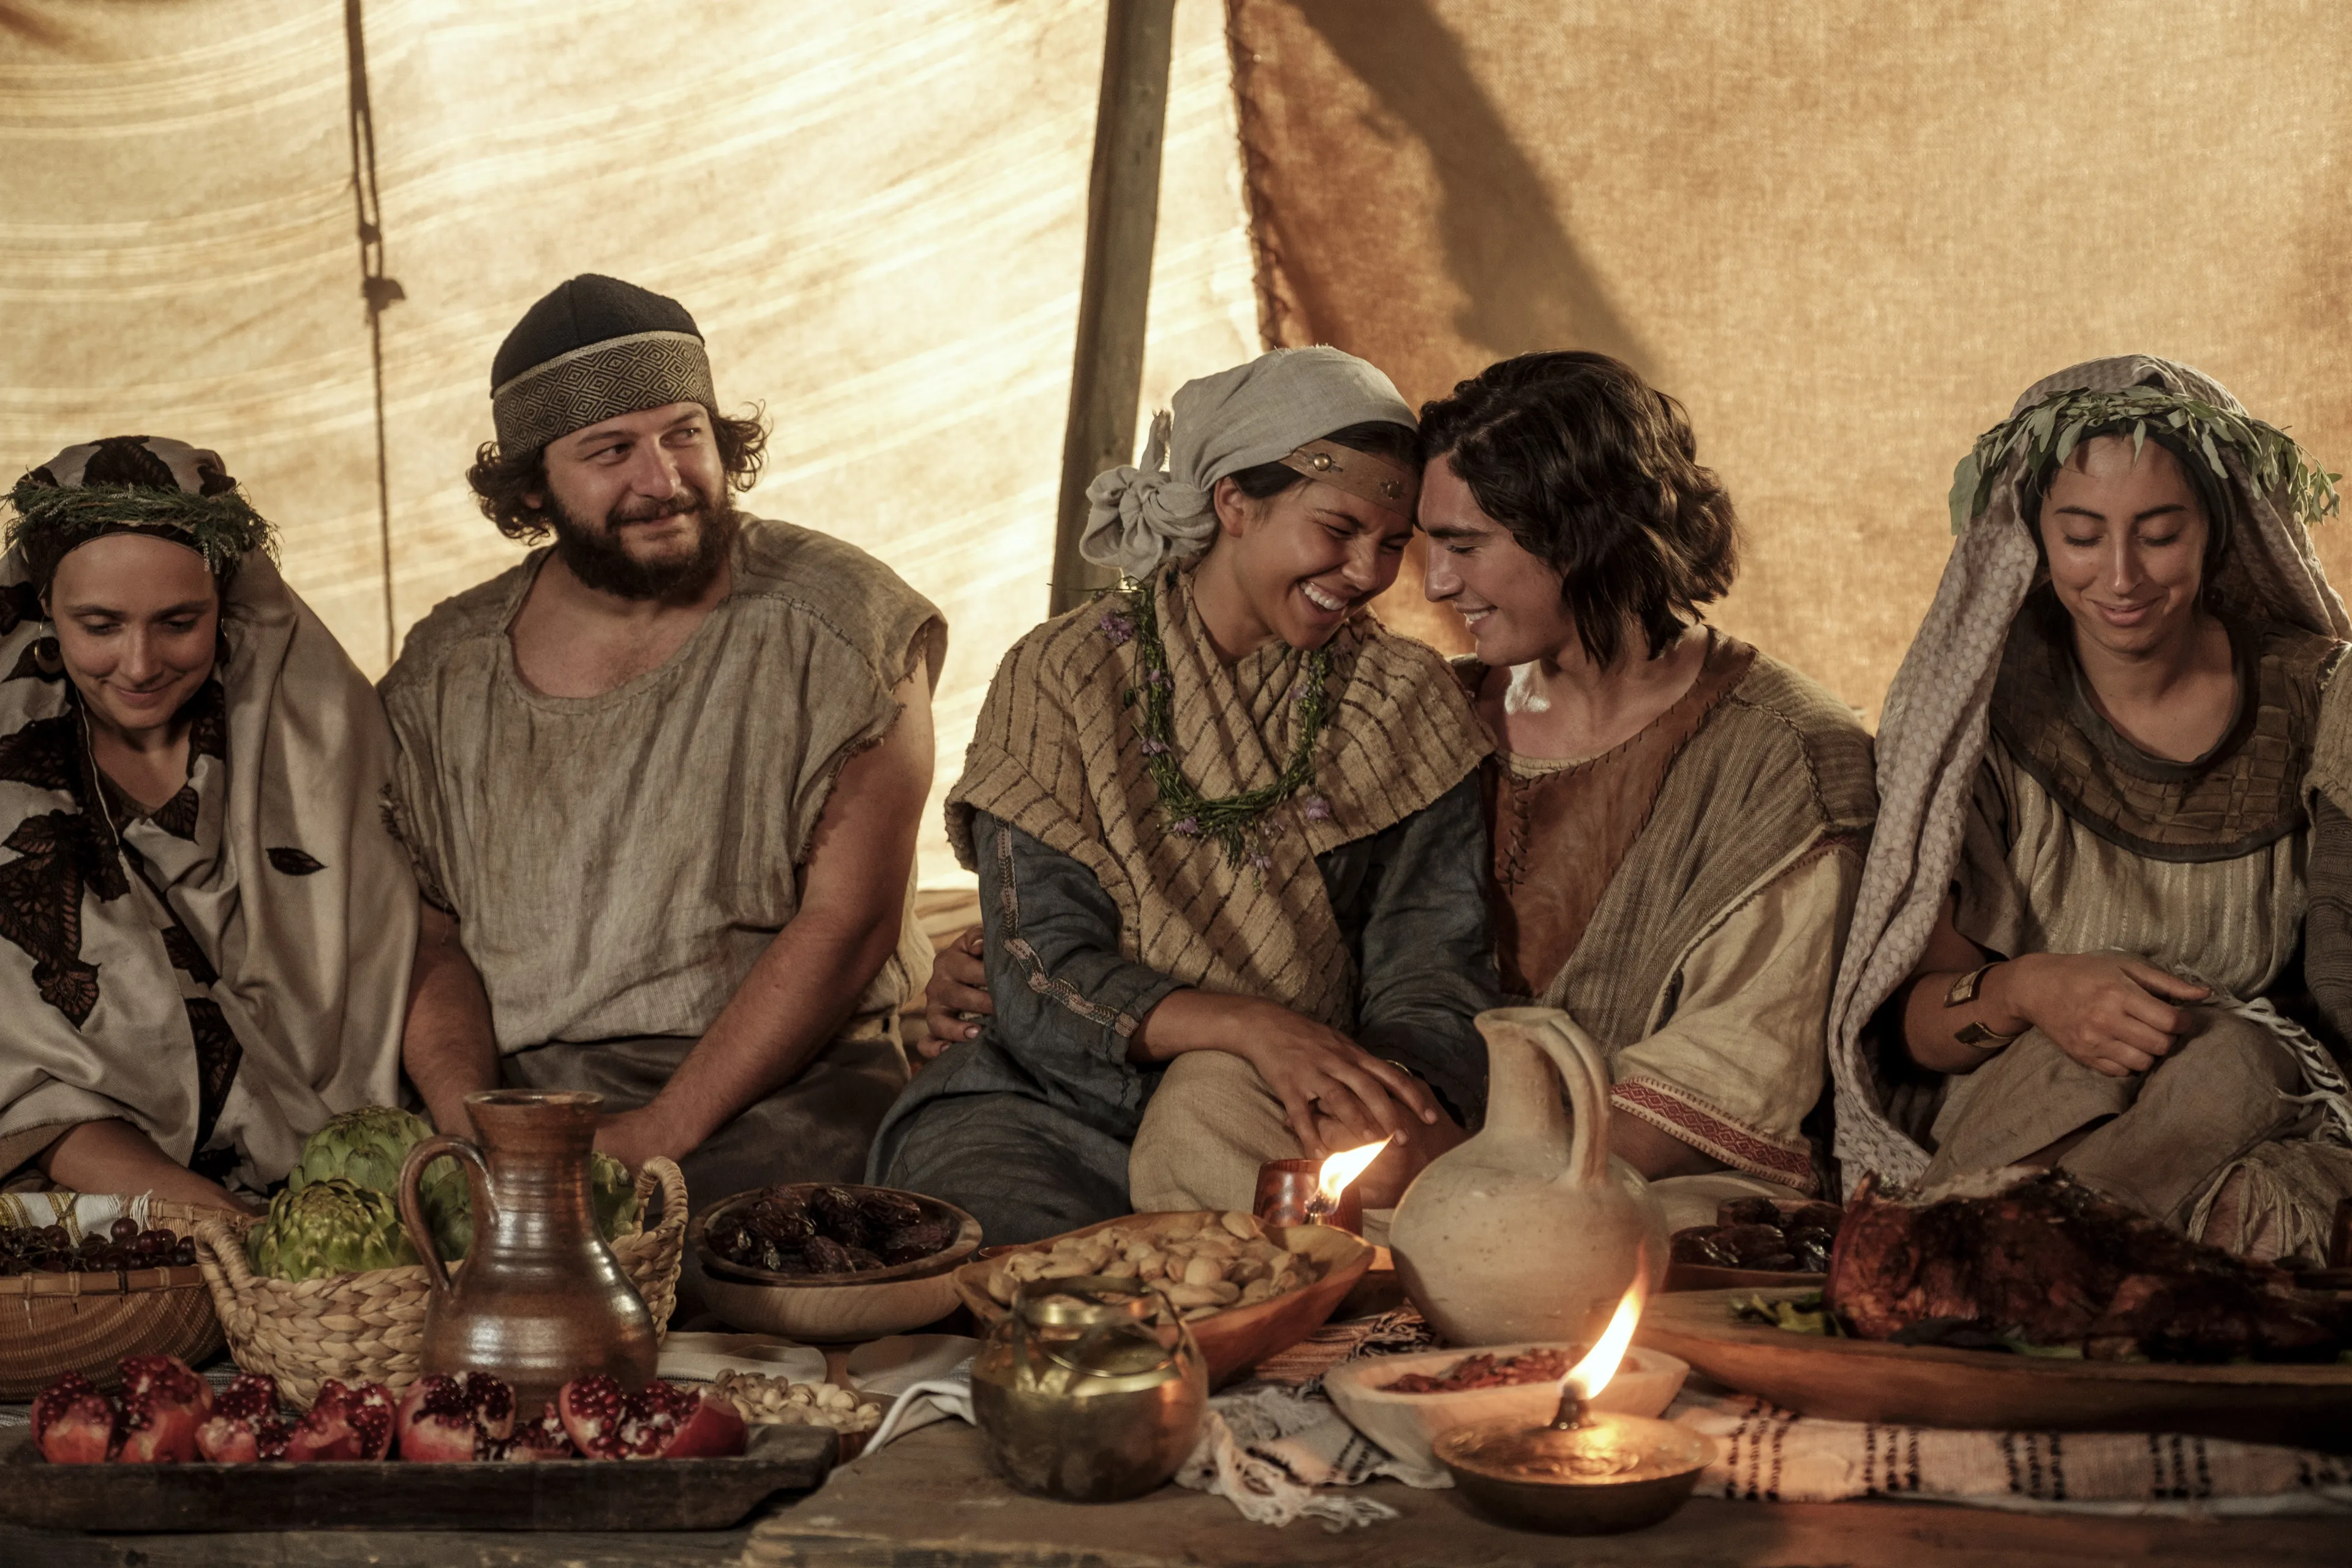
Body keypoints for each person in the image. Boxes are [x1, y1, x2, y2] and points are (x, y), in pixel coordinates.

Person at [875, 347, 1498, 1243]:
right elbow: (1039, 967)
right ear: (1234, 502)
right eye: (1338, 528)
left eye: (1393, 544)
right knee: (1026, 1273)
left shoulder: (1403, 704)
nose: (1366, 570)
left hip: (1287, 1110)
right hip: (1048, 1106)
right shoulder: (1065, 677)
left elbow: (1432, 968)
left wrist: (1380, 1099)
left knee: (1291, 1283)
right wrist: (1251, 1026)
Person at [385, 275, 944, 1220]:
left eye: (685, 433)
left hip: (784, 1086)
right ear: (532, 484)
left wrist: (659, 1133)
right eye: (610, 452)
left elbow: (849, 926)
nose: (663, 478)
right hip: (521, 1095)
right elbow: (427, 935)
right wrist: (474, 1127)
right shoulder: (445, 673)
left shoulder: (841, 626)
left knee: (729, 1262)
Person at [1829, 354, 2352, 1262]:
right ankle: (1995, 1254)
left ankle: (1972, 1260)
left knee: (2242, 1104)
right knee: (2076, 1064)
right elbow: (1915, 1031)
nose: (2121, 576)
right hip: (2042, 1097)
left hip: (2266, 1106)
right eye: (2081, 535)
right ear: (2036, 536)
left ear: (2216, 532)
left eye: (2158, 533)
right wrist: (2037, 988)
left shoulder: (2317, 696)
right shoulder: (1983, 722)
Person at [1415, 352, 1875, 1230]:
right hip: (1431, 1163)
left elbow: (1733, 1074)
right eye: (1430, 544)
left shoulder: (1785, 755)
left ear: (1579, 534)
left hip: (1630, 1178)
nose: (1436, 582)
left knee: (1623, 1237)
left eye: (1465, 546)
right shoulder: (1439, 714)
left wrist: (1477, 1184)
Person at [0, 435, 413, 1209]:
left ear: (227, 603)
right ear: (43, 605)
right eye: (99, 624)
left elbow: (410, 953)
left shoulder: (321, 734)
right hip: (102, 1222)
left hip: (345, 1196)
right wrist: (218, 1222)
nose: (140, 662)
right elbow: (22, 1079)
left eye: (178, 621)